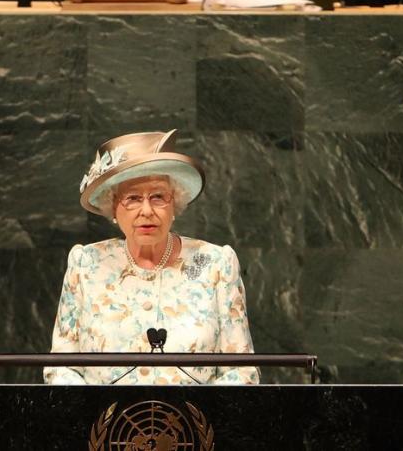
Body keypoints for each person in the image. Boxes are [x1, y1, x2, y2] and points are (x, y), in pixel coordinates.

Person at [45, 130, 259, 385]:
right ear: (113, 207)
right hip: (107, 423)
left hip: (197, 422)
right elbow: (61, 369)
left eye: (158, 197)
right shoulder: (86, 264)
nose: (146, 211)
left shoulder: (215, 264)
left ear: (174, 204)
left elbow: (242, 371)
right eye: (132, 199)